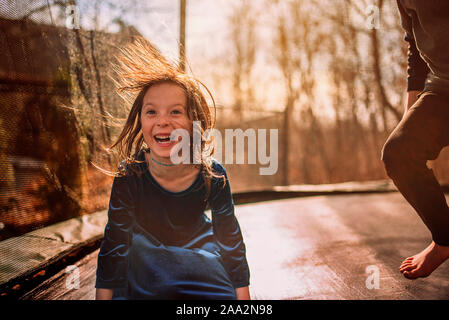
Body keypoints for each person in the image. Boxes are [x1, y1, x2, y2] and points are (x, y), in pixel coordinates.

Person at [94, 38, 250, 299]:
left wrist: (243, 297)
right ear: (141, 120)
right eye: (151, 112)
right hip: (146, 257)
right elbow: (115, 241)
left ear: (194, 123)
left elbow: (229, 238)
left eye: (175, 112)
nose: (162, 121)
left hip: (198, 256)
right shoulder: (130, 175)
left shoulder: (213, 175)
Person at [381, 1, 449, 279]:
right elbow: (417, 52)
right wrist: (411, 119)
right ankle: (445, 240)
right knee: (398, 153)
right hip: (443, 88)